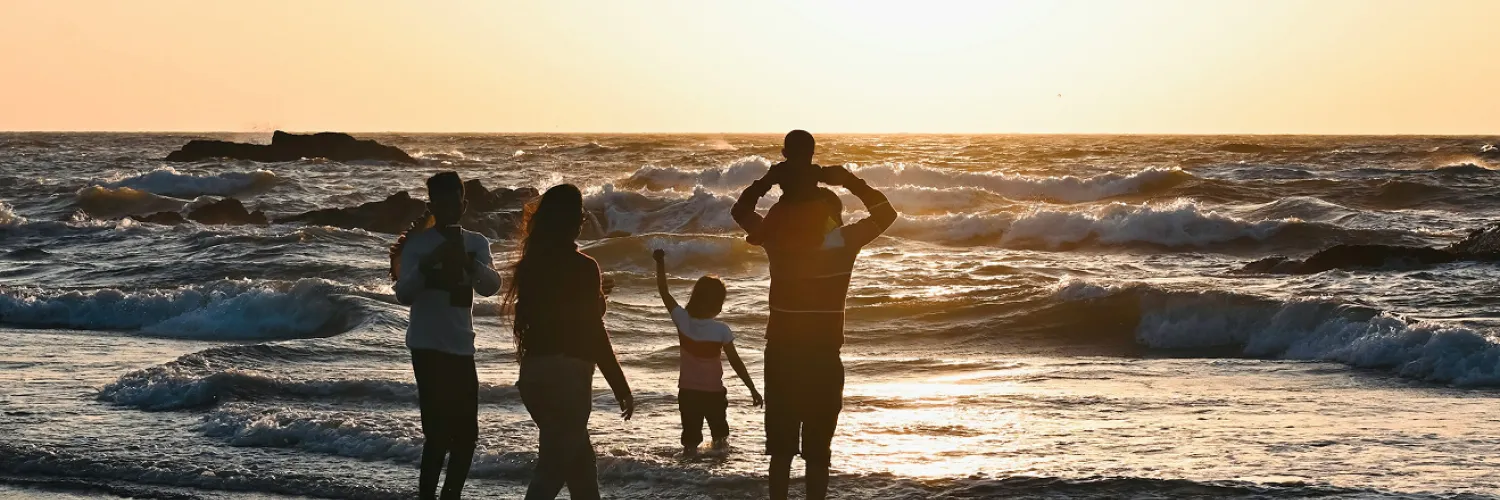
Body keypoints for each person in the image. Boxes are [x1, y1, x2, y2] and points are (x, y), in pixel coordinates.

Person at [731, 131, 898, 500]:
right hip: (823, 357)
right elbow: (887, 214)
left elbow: (739, 211)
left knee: (781, 453)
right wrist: (849, 180)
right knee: (818, 454)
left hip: (782, 356)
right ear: (831, 215)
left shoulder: (776, 237)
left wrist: (768, 180)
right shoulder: (843, 242)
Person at [503, 184, 634, 500]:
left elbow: (555, 316)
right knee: (551, 471)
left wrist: (597, 297)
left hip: (534, 375)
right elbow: (592, 330)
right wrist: (620, 385)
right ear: (575, 220)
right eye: (580, 214)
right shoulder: (584, 267)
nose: (582, 220)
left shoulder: (532, 264)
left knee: (581, 469)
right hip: (568, 378)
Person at [390, 172, 503, 500]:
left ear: (464, 204)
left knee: (467, 436)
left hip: (462, 346)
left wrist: (470, 265)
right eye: (441, 203)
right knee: (437, 436)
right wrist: (428, 265)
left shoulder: (476, 243)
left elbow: (492, 287)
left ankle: (450, 495)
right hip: (426, 346)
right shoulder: (418, 245)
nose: (449, 209)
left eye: (455, 202)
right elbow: (403, 294)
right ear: (432, 206)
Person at [652, 248, 762, 457]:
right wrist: (752, 389)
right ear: (718, 305)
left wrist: (660, 263)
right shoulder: (721, 330)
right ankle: (717, 470)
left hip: (688, 393)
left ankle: (688, 469)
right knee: (720, 439)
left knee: (690, 441)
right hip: (714, 394)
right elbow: (736, 363)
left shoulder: (683, 320)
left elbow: (664, 291)